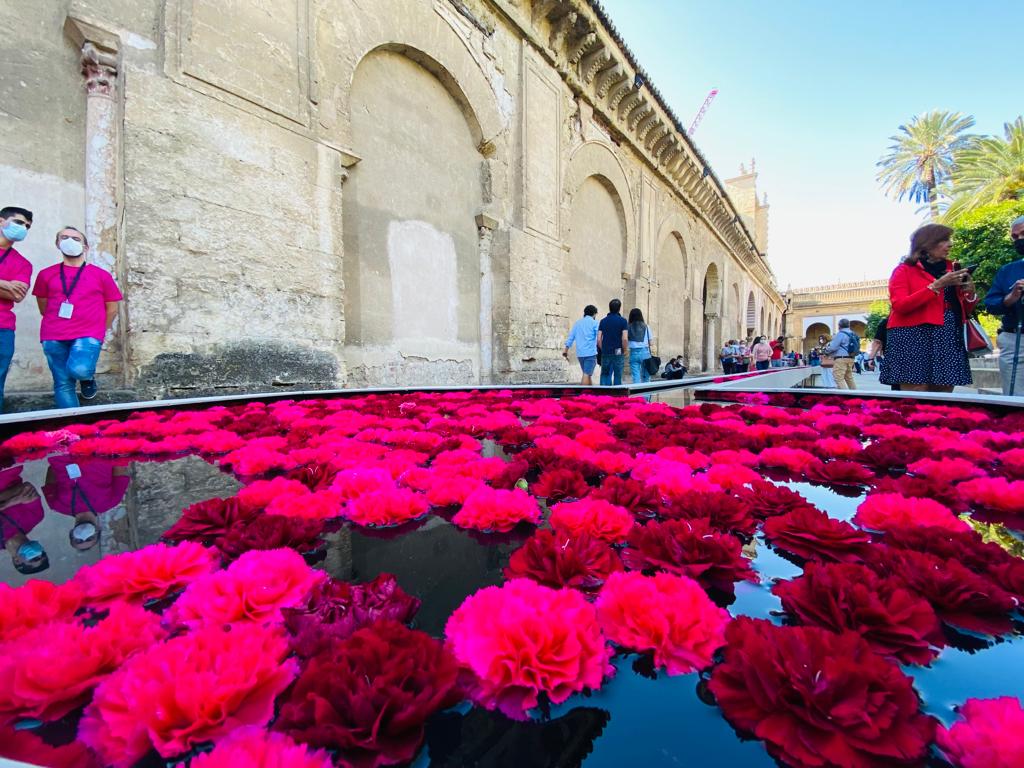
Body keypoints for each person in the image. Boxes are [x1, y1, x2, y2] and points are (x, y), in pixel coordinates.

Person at [33, 226, 123, 408]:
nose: (70, 241)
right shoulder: (46, 274)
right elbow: (43, 304)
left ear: (86, 247)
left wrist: (100, 330)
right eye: (64, 237)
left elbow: (112, 308)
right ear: (58, 244)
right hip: (53, 334)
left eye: (76, 239)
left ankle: (87, 377)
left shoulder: (101, 275)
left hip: (88, 333)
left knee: (80, 370)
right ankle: (72, 429)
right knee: (63, 383)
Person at [883, 224, 975, 393]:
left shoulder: (952, 270)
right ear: (928, 244)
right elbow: (900, 305)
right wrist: (937, 285)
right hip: (912, 335)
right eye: (944, 240)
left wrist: (970, 292)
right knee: (917, 389)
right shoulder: (904, 270)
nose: (950, 245)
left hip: (947, 333)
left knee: (944, 388)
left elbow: (964, 311)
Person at [983, 215, 1024, 396]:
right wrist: (1012, 296)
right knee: (1015, 398)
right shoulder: (1007, 270)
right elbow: (991, 304)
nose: (1019, 239)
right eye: (1015, 237)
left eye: (1023, 234)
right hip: (1016, 340)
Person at [0, 207, 35, 410]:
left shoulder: (23, 264)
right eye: (19, 222)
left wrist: (7, 288)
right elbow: (10, 289)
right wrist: (5, 283)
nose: (23, 228)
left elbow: (17, 295)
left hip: (3, 328)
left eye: (27, 226)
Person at [563, 305, 599, 385]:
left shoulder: (577, 323)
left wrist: (565, 350)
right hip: (590, 353)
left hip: (580, 354)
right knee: (586, 375)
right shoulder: (595, 323)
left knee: (587, 374)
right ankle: (582, 394)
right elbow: (598, 337)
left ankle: (590, 394)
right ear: (594, 314)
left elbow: (571, 338)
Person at [597, 298, 628, 386]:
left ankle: (603, 395)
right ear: (619, 308)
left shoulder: (603, 321)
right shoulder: (623, 321)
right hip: (618, 350)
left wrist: (603, 348)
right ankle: (616, 396)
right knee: (618, 375)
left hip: (606, 350)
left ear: (609, 308)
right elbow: (625, 338)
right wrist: (624, 350)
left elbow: (599, 339)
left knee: (604, 374)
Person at [825, 318, 859, 389]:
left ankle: (845, 396)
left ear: (839, 326)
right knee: (849, 378)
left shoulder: (840, 334)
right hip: (851, 358)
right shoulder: (853, 333)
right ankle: (855, 395)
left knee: (838, 378)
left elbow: (833, 347)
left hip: (841, 359)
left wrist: (826, 350)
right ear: (848, 325)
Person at [627, 308, 655, 383]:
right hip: (645, 353)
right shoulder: (646, 326)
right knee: (646, 376)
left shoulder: (628, 327)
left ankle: (637, 394)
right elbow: (651, 343)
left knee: (636, 376)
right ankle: (646, 394)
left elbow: (625, 340)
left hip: (634, 353)